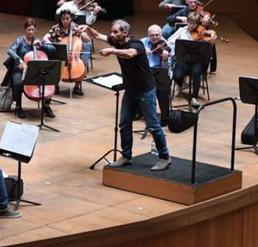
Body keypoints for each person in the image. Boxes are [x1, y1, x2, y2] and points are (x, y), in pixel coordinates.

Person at [87, 20, 171, 171]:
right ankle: (126, 156)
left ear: (124, 33)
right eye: (112, 32)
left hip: (145, 90)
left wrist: (112, 51)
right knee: (124, 123)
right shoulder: (117, 40)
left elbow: (130, 54)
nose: (112, 35)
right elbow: (98, 35)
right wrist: (86, 28)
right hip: (131, 90)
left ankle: (165, 157)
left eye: (115, 32)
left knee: (153, 125)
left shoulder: (136, 44)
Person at [5, 18, 57, 118]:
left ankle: (46, 106)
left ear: (35, 30)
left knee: (49, 81)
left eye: (33, 29)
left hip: (36, 70)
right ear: (25, 30)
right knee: (18, 83)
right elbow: (10, 51)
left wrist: (42, 45)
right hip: (21, 69)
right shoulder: (20, 41)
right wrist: (19, 59)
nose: (31, 32)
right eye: (29, 29)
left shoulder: (38, 41)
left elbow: (53, 49)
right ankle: (18, 106)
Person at [165, 12, 216, 102]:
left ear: (197, 24)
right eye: (190, 22)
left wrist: (212, 40)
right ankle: (180, 83)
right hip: (184, 59)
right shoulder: (182, 30)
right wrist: (172, 50)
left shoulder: (202, 32)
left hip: (198, 61)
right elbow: (170, 41)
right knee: (176, 76)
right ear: (187, 22)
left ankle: (194, 97)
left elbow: (208, 48)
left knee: (196, 73)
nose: (191, 25)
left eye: (194, 23)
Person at [43, 10, 91, 96]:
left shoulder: (75, 27)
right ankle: (55, 85)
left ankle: (77, 86)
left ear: (71, 19)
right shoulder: (56, 28)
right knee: (53, 60)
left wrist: (81, 32)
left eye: (67, 19)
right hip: (59, 53)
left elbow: (87, 40)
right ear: (60, 19)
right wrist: (53, 45)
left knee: (83, 62)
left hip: (73, 54)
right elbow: (45, 38)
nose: (65, 21)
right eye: (63, 19)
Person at [144, 25, 173, 127]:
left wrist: (165, 59)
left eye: (157, 35)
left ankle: (165, 117)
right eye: (152, 35)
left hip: (160, 72)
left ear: (161, 35)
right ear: (148, 35)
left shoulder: (166, 45)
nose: (155, 38)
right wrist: (143, 54)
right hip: (145, 72)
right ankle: (140, 112)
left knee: (163, 90)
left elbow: (167, 68)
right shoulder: (143, 42)